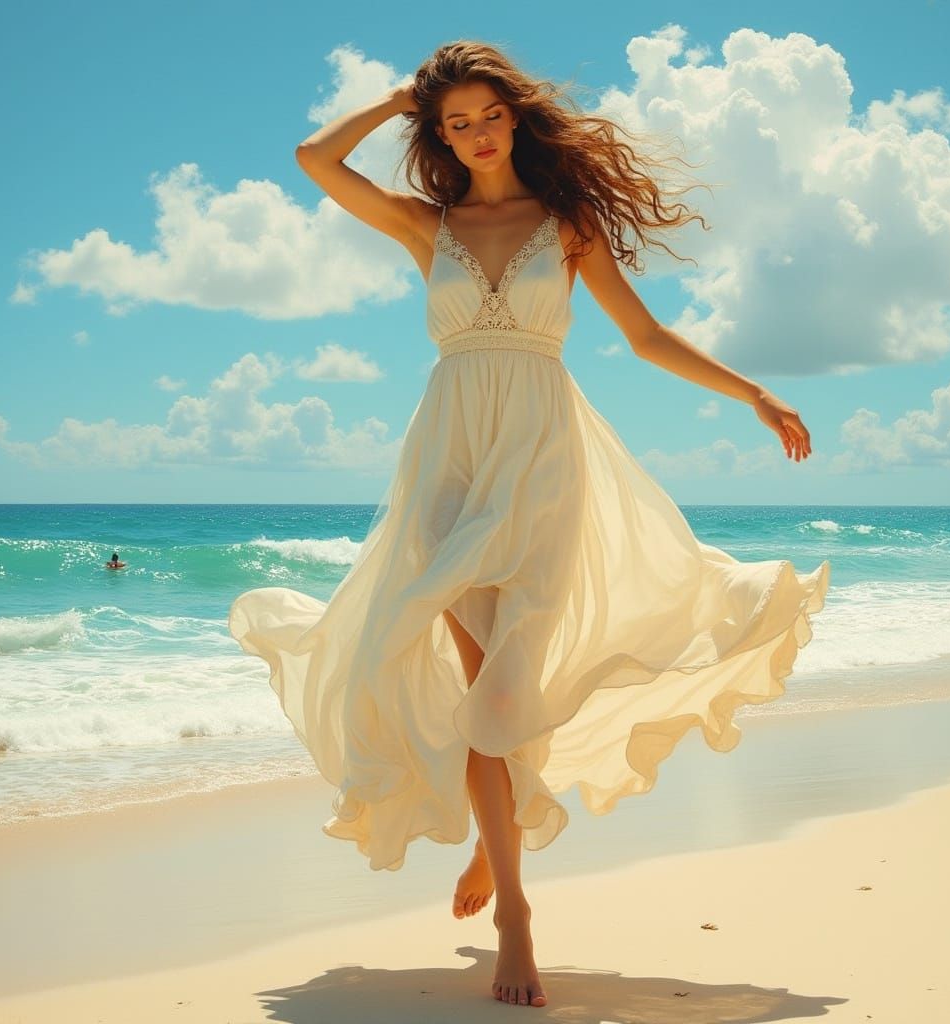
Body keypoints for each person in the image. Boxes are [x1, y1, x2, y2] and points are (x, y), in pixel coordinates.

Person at [228, 40, 830, 1009]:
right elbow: (314, 161)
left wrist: (750, 390)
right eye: (453, 121)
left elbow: (642, 335)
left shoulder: (567, 221)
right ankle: (515, 911)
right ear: (438, 131)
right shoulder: (429, 226)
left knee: (507, 694)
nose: (472, 133)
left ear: (516, 116)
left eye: (486, 114)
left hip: (544, 459)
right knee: (481, 691)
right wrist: (400, 95)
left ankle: (489, 843)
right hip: (448, 465)